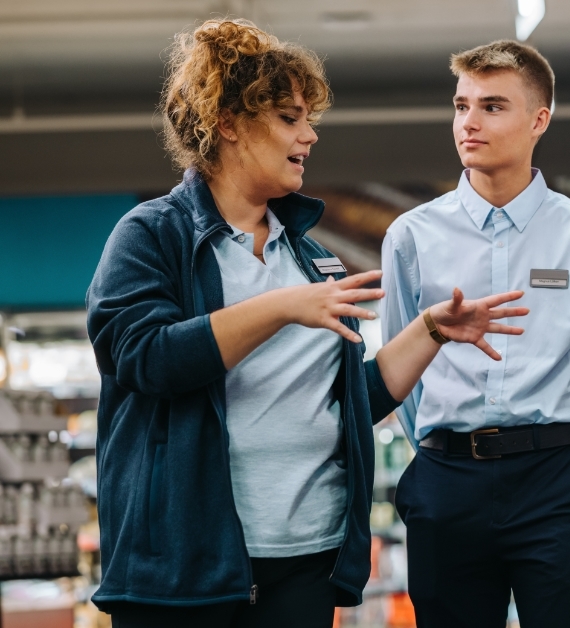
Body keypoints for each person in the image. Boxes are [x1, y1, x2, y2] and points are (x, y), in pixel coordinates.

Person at [85, 20, 528, 628]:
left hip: (306, 557)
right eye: (290, 118)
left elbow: (347, 401)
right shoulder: (152, 235)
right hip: (185, 564)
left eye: (308, 119)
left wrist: (431, 329)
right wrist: (281, 307)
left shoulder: (312, 258)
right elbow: (143, 358)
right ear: (229, 123)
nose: (310, 135)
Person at [380, 40, 570, 627]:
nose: (468, 122)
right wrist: (440, 451)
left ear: (539, 120)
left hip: (557, 481)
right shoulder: (411, 237)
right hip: (448, 481)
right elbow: (400, 371)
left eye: (492, 106)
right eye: (461, 105)